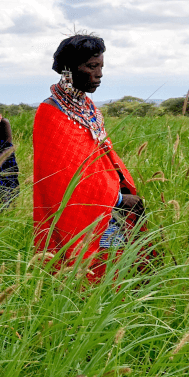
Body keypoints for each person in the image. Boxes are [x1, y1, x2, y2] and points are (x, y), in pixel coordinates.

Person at [33, 34, 147, 280]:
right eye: (92, 67)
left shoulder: (90, 109)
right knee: (84, 279)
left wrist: (123, 191)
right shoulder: (50, 112)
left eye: (101, 67)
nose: (100, 74)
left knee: (113, 273)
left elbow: (103, 160)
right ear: (69, 69)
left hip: (109, 212)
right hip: (84, 213)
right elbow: (60, 180)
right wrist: (117, 198)